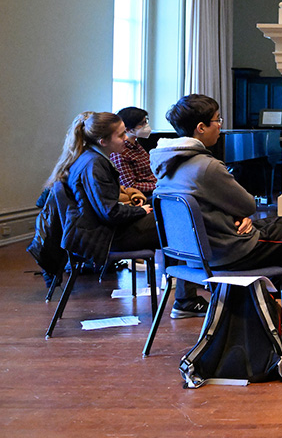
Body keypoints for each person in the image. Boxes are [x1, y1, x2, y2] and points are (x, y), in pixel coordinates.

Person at [151, 94, 282, 346]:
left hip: (199, 252)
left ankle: (273, 311)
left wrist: (238, 214)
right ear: (201, 127)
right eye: (217, 120)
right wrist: (240, 212)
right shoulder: (205, 166)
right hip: (232, 250)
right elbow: (248, 204)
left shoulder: (167, 165)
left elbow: (214, 205)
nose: (220, 125)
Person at [44, 111, 199, 314]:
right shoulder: (94, 164)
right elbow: (110, 213)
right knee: (179, 222)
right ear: (103, 141)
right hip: (107, 237)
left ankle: (183, 291)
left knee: (171, 217)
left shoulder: (88, 158)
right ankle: (186, 298)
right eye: (120, 135)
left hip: (102, 232)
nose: (126, 138)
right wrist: (138, 210)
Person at [108, 107, 157, 197]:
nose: (146, 125)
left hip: (155, 187)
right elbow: (130, 186)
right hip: (144, 195)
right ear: (127, 129)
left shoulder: (136, 145)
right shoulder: (120, 153)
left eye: (146, 121)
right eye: (142, 124)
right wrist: (157, 185)